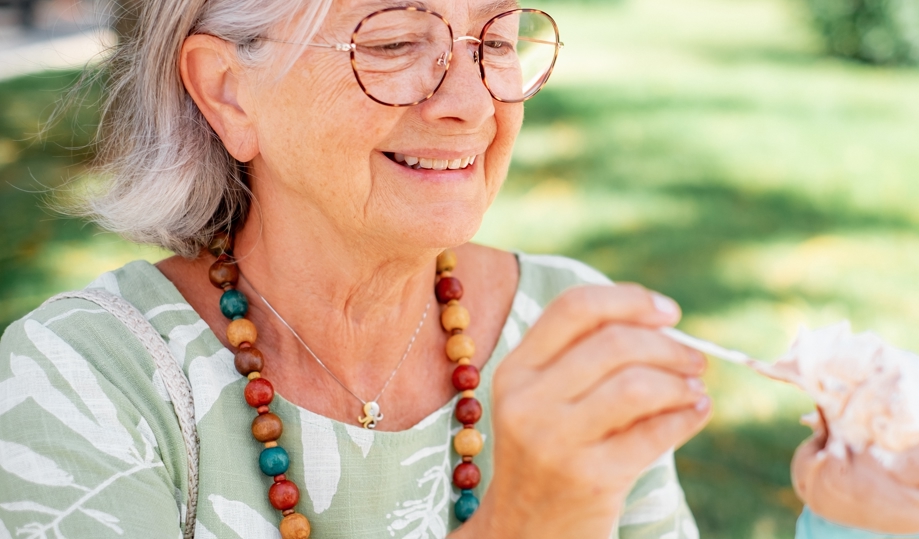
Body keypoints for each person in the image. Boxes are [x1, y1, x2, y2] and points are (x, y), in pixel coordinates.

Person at [0, 1, 709, 537]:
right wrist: (523, 521)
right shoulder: (80, 380)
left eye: (496, 41)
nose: (471, 104)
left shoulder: (572, 327)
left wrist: (825, 518)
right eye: (396, 42)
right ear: (227, 92)